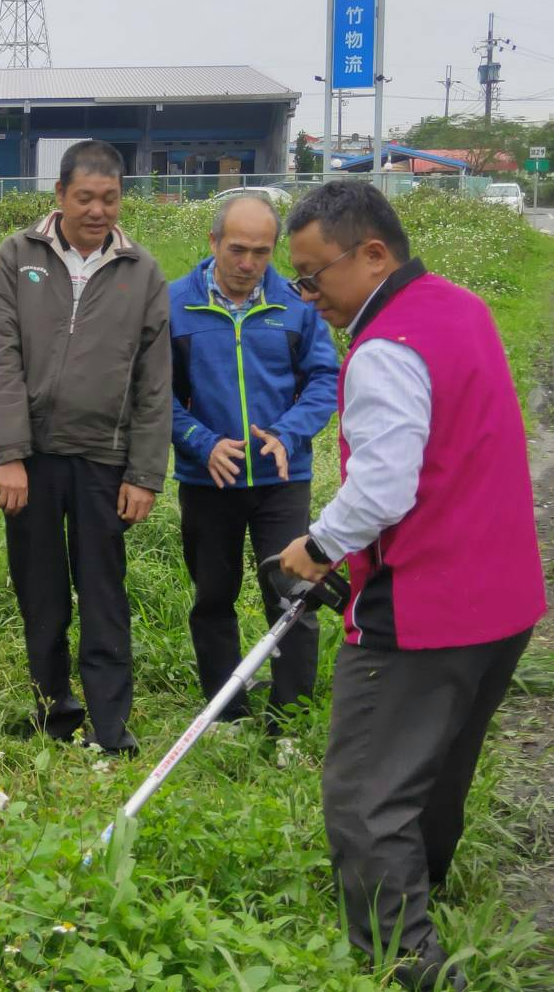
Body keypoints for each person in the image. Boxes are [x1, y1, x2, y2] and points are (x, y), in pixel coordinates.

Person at [279, 182, 543, 991]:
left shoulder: (384, 347)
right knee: (433, 773)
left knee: (363, 795)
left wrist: (316, 545)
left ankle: (407, 968)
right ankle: (417, 892)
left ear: (371, 256)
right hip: (502, 602)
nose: (307, 296)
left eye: (312, 276)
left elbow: (384, 488)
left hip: (422, 609)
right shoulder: (459, 307)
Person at [0, 140, 171, 755]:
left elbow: (154, 381)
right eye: (85, 197)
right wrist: (8, 454)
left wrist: (144, 473)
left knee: (103, 594)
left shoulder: (140, 272)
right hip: (32, 461)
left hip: (103, 460)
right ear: (60, 196)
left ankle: (110, 726)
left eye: (110, 199)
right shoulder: (16, 257)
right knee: (40, 592)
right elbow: (2, 360)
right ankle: (52, 710)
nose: (97, 211)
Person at [169, 193, 339, 729]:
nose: (248, 264)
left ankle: (289, 718)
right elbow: (152, 394)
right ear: (214, 241)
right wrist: (200, 440)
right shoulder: (174, 304)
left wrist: (289, 435)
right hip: (207, 480)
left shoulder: (296, 305)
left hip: (282, 479)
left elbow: (325, 379)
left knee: (293, 597)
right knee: (213, 598)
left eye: (261, 252)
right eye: (237, 249)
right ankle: (228, 715)